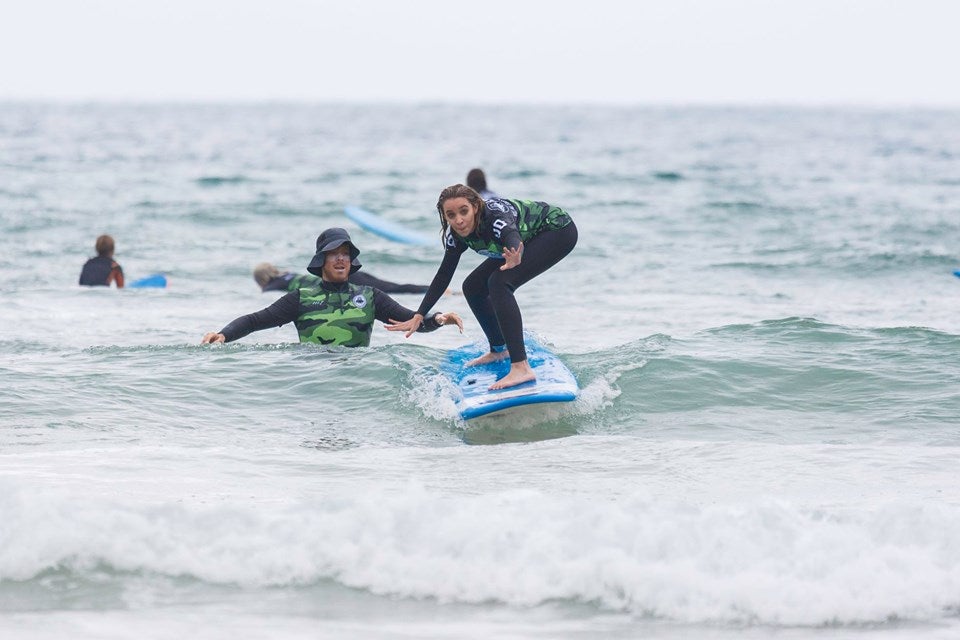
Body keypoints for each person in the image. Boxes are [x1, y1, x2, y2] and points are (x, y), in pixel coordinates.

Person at [386, 185, 577, 390]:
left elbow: (511, 234)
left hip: (556, 230)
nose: (459, 220)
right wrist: (419, 314)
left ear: (475, 207)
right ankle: (499, 349)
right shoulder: (456, 235)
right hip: (527, 239)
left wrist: (514, 253)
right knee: (473, 286)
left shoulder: (495, 219)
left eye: (464, 211)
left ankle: (521, 367)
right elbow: (443, 275)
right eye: (451, 215)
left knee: (500, 283)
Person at [202, 228, 462, 346]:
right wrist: (224, 334)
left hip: (356, 378)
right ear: (321, 260)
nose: (340, 258)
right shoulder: (301, 298)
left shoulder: (370, 297)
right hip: (314, 378)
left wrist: (439, 319)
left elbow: (411, 320)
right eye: (333, 253)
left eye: (345, 253)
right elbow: (254, 321)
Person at [252, 262, 431, 295]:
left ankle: (433, 290)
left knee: (394, 289)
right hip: (351, 274)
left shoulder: (272, 286)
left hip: (348, 280)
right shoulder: (287, 275)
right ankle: (433, 289)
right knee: (395, 287)